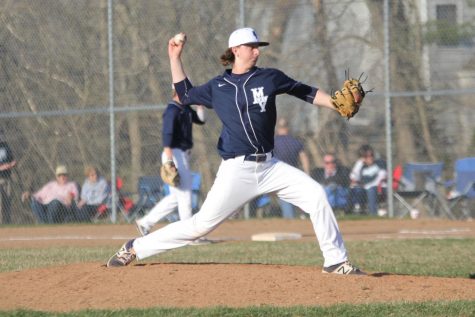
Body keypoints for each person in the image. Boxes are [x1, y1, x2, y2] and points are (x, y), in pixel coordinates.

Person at [107, 27, 365, 275]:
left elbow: (305, 92)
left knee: (316, 195)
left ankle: (335, 261)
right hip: (237, 170)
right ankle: (134, 248)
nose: (257, 51)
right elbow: (185, 95)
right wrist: (175, 58)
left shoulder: (270, 77)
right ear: (236, 50)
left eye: (257, 47)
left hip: (270, 166)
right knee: (200, 226)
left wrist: (334, 103)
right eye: (252, 47)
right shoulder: (218, 87)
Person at [134, 86, 206, 236]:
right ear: (179, 92)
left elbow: (200, 120)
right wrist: (168, 157)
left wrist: (200, 105)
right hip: (174, 153)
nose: (190, 93)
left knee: (176, 197)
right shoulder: (172, 110)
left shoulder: (184, 108)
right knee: (185, 192)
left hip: (181, 154)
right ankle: (189, 234)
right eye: (187, 91)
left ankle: (145, 223)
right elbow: (167, 132)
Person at [273, 117, 310, 218]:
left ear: (277, 128)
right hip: (294, 173)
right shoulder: (295, 142)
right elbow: (304, 158)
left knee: (285, 197)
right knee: (291, 196)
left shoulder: (273, 142)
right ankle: (294, 216)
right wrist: (307, 173)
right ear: (288, 127)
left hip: (277, 174)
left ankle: (289, 219)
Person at [350, 144, 387, 216]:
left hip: (380, 188)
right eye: (366, 156)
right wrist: (359, 163)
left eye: (371, 155)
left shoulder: (380, 163)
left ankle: (373, 214)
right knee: (355, 189)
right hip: (365, 188)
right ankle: (353, 213)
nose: (370, 158)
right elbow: (354, 178)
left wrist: (367, 186)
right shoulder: (361, 166)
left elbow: (382, 176)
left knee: (371, 189)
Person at [0, 130, 16, 224]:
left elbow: (12, 159)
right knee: (0, 203)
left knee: (7, 202)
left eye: (1, 135)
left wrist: (12, 164)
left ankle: (7, 224)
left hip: (7, 178)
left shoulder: (6, 146)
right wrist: (2, 167)